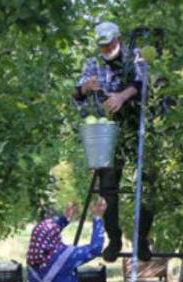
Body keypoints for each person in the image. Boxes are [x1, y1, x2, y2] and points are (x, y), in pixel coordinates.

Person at [73, 21, 156, 262]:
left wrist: (121, 96)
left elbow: (143, 84)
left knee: (148, 183)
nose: (106, 48)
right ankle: (114, 239)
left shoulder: (135, 57)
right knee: (107, 184)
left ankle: (141, 239)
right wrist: (84, 88)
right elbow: (76, 96)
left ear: (118, 38)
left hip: (138, 127)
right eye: (102, 45)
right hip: (108, 130)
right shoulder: (93, 63)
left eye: (109, 43)